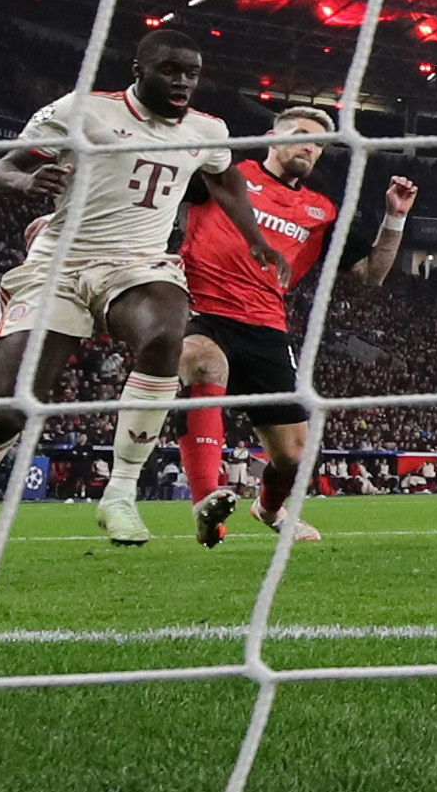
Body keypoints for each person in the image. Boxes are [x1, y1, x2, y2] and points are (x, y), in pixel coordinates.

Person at [0, 30, 289, 550]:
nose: (183, 81)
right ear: (139, 68)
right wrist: (27, 185)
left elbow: (225, 178)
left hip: (139, 264)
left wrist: (256, 241)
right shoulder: (83, 111)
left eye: (192, 73)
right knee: (14, 408)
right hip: (60, 265)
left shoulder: (209, 129)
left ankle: (119, 494)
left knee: (167, 334)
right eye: (171, 69)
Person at [174, 106, 417, 547]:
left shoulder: (320, 211)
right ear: (272, 137)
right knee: (203, 362)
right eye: (301, 134)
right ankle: (206, 502)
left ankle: (267, 509)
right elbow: (157, 191)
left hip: (267, 328)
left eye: (319, 142)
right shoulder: (226, 173)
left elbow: (371, 274)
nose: (310, 145)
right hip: (203, 310)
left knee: (293, 456)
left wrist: (394, 217)